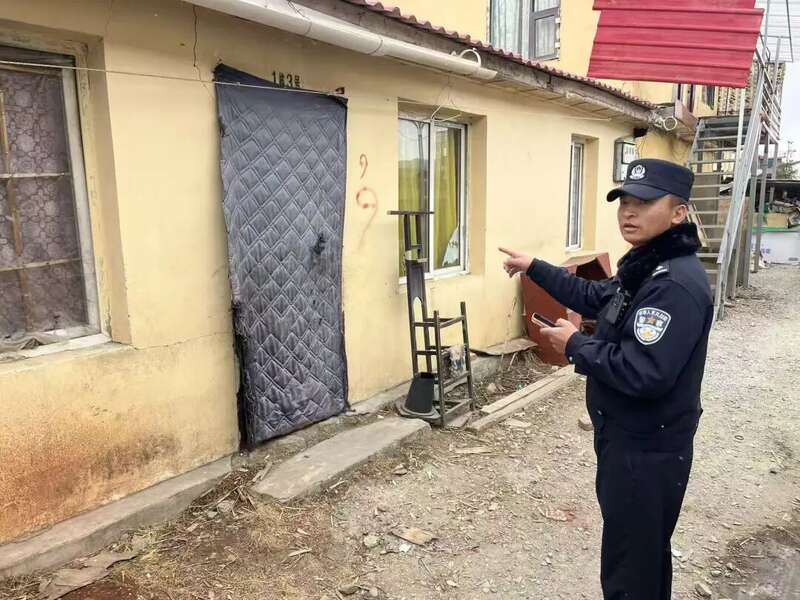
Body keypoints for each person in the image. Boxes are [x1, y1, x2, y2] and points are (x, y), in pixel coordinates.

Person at [500, 158, 714, 599]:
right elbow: (595, 295)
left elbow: (645, 372)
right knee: (640, 555)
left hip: (646, 450)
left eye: (644, 203)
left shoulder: (672, 284)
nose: (629, 212)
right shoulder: (647, 266)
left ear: (679, 213)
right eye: (624, 202)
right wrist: (535, 266)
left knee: (630, 567)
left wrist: (575, 345)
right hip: (629, 439)